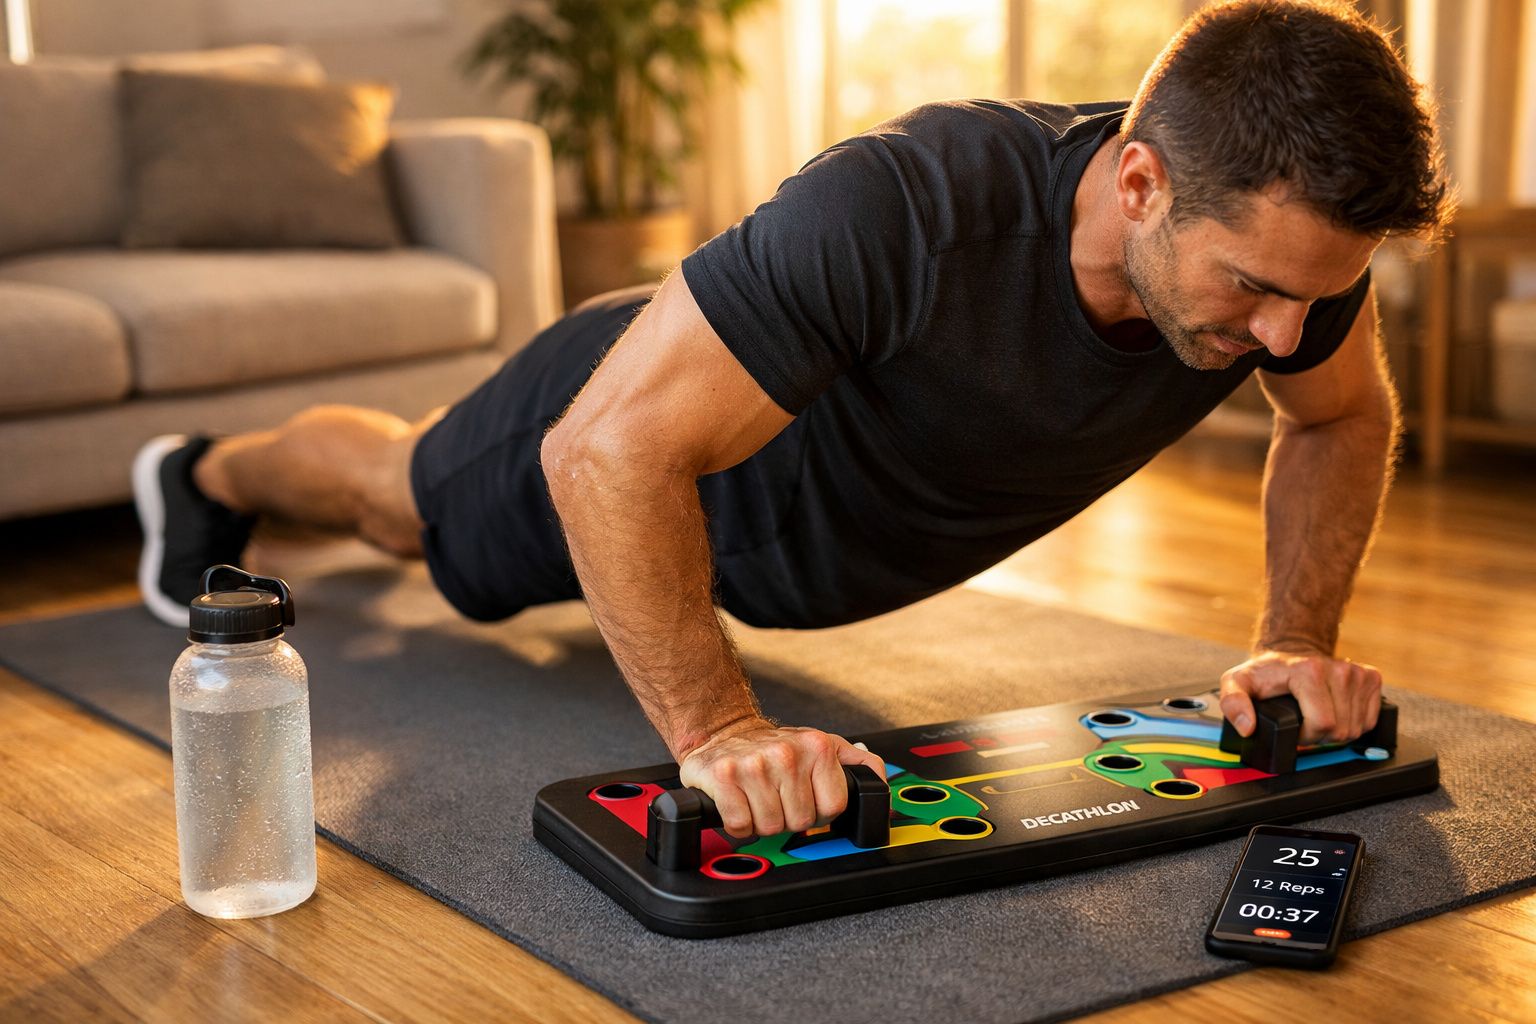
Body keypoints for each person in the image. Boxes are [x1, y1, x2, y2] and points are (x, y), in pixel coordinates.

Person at [133, 0, 1450, 842]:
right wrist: (719, 734)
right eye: (1257, 292)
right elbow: (606, 450)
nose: (1287, 335)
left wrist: (1293, 643)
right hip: (643, 432)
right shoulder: (905, 206)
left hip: (793, 545)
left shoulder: (1286, 271)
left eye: (1316, 298)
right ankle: (206, 467)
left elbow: (1337, 421)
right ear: (1143, 182)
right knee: (403, 507)